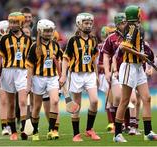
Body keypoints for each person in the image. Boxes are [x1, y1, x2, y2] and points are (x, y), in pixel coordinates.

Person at [113, 5, 157, 142]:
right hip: (129, 68)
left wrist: (143, 56)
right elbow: (125, 46)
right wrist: (140, 55)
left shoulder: (137, 28)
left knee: (147, 98)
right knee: (125, 101)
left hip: (138, 68)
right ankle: (117, 134)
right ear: (135, 15)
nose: (140, 14)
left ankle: (148, 132)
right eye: (139, 13)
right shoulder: (132, 27)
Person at [59, 12, 100, 142]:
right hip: (76, 75)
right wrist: (64, 75)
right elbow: (66, 59)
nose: (88, 26)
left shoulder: (94, 39)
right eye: (85, 23)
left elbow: (94, 59)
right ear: (78, 24)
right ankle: (76, 134)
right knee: (77, 105)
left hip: (90, 74)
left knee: (94, 101)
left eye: (90, 23)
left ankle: (89, 129)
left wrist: (97, 74)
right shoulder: (73, 40)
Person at [0, 12, 32, 141]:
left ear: (21, 23)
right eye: (11, 22)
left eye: (15, 22)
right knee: (10, 104)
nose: (12, 25)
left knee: (22, 101)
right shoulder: (4, 39)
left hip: (22, 72)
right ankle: (13, 131)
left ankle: (23, 130)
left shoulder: (27, 39)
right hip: (7, 72)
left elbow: (29, 59)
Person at [26, 19, 61, 141]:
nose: (48, 33)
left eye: (50, 31)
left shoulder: (55, 45)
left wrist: (62, 76)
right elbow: (30, 67)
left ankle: (52, 130)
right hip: (38, 78)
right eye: (46, 31)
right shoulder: (34, 47)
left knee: (55, 101)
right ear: (40, 31)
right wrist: (28, 84)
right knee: (36, 107)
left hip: (52, 77)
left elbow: (59, 62)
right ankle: (35, 131)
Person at [103, 13, 127, 133]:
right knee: (117, 97)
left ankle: (130, 125)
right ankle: (118, 124)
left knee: (131, 100)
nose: (125, 25)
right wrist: (107, 72)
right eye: (122, 23)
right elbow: (106, 56)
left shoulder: (132, 37)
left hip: (130, 71)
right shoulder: (111, 38)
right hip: (116, 72)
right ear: (117, 24)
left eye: (126, 22)